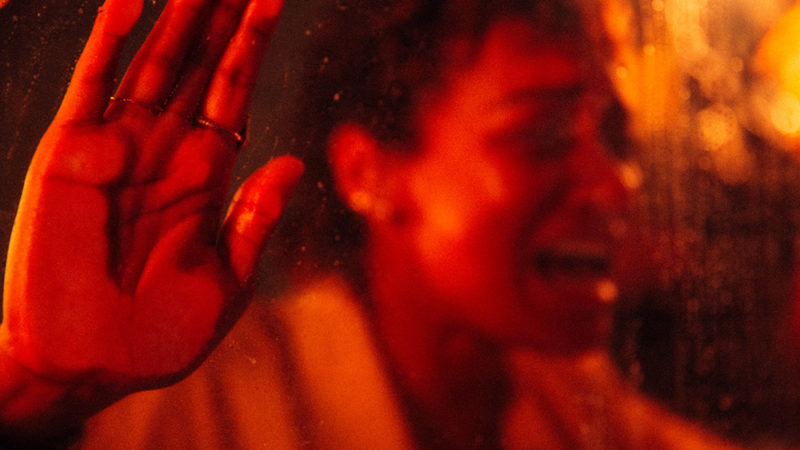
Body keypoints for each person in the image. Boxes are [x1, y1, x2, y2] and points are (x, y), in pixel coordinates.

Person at [0, 0, 741, 448]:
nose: (615, 185)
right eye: (541, 134)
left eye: (615, 137)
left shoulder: (571, 403)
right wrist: (36, 395)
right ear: (367, 173)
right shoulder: (194, 400)